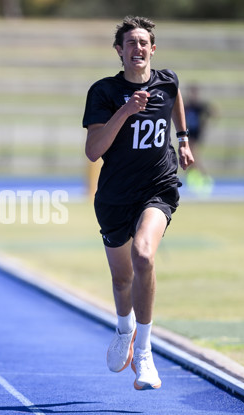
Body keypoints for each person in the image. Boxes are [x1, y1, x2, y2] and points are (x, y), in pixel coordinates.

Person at [82, 16, 194, 390]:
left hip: (157, 187)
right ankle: (124, 328)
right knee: (122, 278)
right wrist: (127, 110)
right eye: (130, 43)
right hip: (115, 196)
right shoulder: (103, 92)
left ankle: (145, 353)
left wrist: (183, 138)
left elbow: (175, 92)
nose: (138, 49)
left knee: (144, 255)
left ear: (152, 49)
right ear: (120, 51)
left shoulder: (167, 80)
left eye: (143, 42)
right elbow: (94, 151)